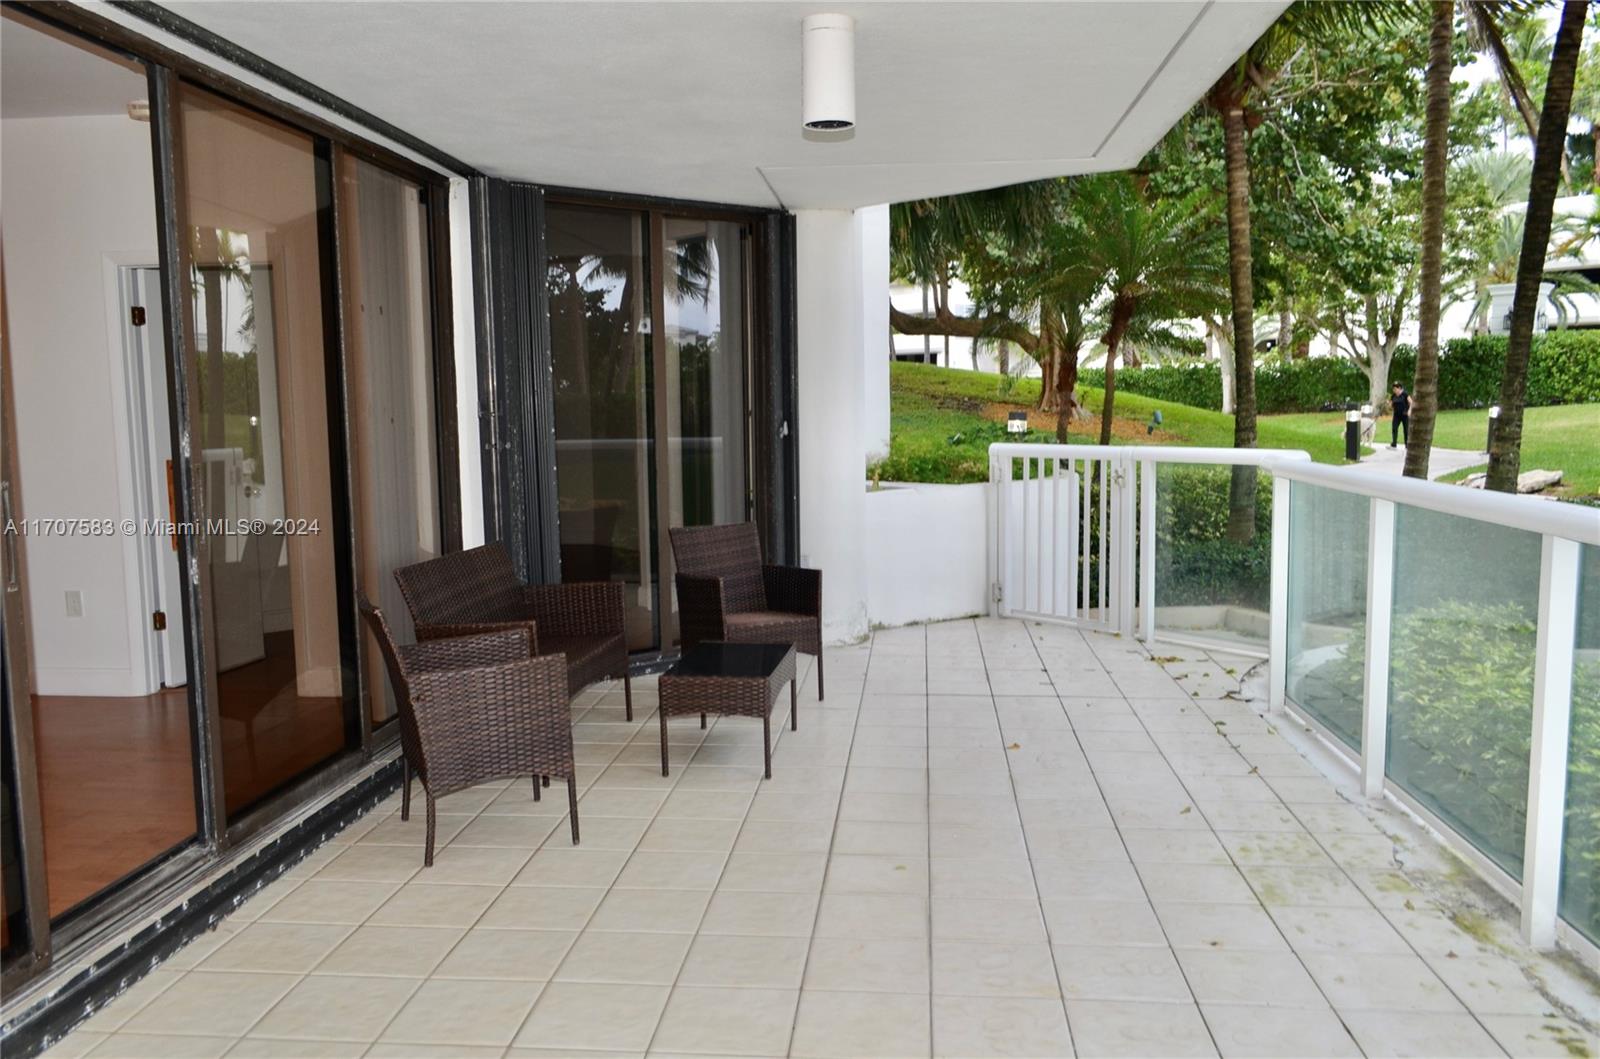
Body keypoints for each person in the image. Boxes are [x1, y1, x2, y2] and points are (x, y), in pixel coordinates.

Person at [1389, 382, 1410, 448]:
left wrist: (1409, 410)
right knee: (1394, 428)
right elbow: (1391, 405)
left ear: (1400, 388)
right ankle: (1394, 443)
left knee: (1406, 430)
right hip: (1396, 415)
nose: (1394, 390)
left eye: (1395, 389)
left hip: (1405, 415)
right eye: (1393, 389)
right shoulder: (1393, 396)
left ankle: (1407, 444)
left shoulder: (1405, 394)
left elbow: (1411, 403)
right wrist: (1389, 404)